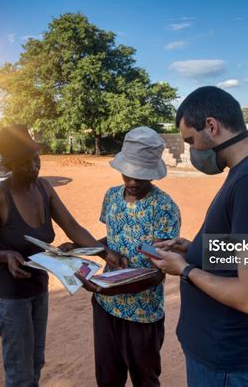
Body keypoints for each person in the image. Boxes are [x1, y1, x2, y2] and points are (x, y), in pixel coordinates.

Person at [151, 87, 248, 387]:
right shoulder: (246, 172)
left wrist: (185, 269)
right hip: (216, 350)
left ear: (212, 126)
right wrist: (193, 249)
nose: (192, 150)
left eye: (191, 140)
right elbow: (243, 256)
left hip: (227, 356)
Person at [0, 125, 124, 387]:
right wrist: (5, 255)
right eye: (24, 163)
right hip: (10, 297)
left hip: (38, 290)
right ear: (8, 164)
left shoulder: (44, 189)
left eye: (36, 159)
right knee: (20, 373)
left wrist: (103, 252)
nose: (33, 167)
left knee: (36, 362)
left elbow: (72, 227)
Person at [75, 126, 181, 387]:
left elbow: (158, 273)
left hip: (142, 314)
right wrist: (81, 248)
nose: (133, 182)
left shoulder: (164, 208)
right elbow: (111, 240)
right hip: (105, 308)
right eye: (128, 174)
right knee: (108, 378)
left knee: (145, 380)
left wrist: (115, 288)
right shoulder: (111, 196)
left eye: (141, 176)